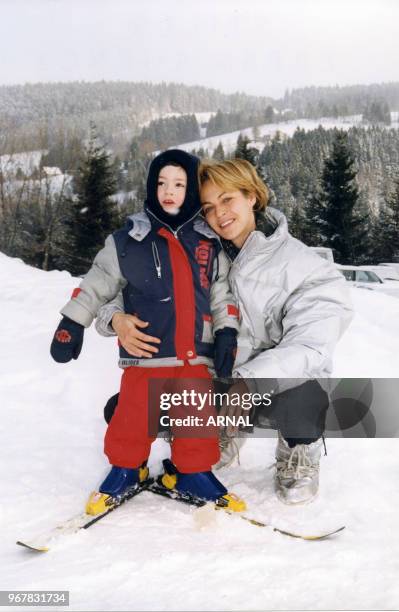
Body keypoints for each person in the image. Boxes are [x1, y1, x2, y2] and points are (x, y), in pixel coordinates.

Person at [99, 157, 353, 505]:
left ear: (252, 196)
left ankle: (298, 452)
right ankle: (211, 435)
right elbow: (117, 286)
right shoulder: (195, 251)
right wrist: (115, 318)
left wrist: (247, 380)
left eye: (227, 199)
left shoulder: (308, 268)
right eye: (207, 207)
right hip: (213, 383)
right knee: (123, 407)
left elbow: (311, 348)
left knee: (306, 398)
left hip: (270, 388)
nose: (219, 214)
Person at [50, 149, 245, 515]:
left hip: (193, 354)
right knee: (134, 415)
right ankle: (127, 467)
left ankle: (194, 472)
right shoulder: (127, 240)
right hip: (145, 352)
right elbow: (97, 283)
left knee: (194, 418)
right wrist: (72, 322)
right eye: (161, 183)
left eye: (179, 184)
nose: (169, 191)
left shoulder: (208, 241)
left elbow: (221, 293)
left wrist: (227, 332)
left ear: (190, 191)